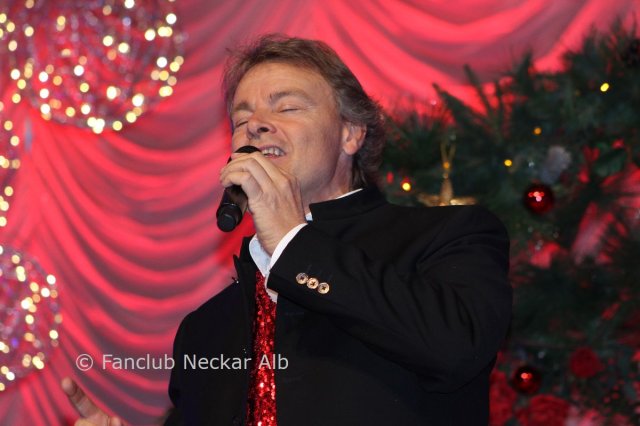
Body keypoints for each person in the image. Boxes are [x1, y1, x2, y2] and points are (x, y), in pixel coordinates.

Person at [64, 34, 512, 425]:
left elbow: (457, 349)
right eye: (242, 118)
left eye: (287, 107)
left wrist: (292, 242)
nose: (255, 125)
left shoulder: (447, 237)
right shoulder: (205, 328)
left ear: (351, 134)